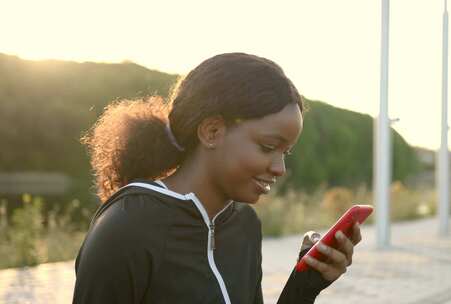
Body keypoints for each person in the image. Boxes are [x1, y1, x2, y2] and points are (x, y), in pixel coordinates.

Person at [73, 52, 363, 304]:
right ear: (212, 131)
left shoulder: (244, 225)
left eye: (285, 152)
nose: (280, 168)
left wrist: (304, 286)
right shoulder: (126, 227)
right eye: (268, 147)